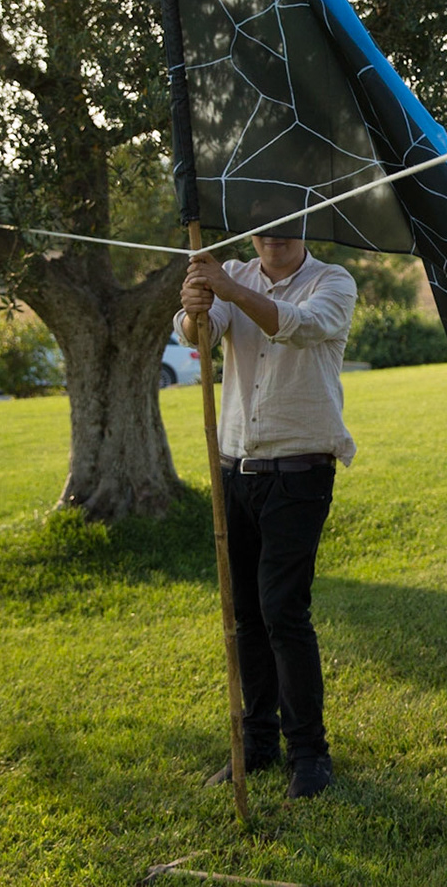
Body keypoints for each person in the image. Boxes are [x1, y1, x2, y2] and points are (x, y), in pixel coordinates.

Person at [178, 232, 358, 800]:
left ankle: (310, 754)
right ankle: (257, 744)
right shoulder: (231, 272)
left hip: (300, 473)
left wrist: (226, 285)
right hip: (235, 467)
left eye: (286, 225)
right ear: (251, 233)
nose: (273, 237)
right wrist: (193, 308)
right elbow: (200, 339)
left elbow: (299, 326)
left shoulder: (333, 282)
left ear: (307, 226)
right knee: (245, 614)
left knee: (283, 609)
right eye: (263, 227)